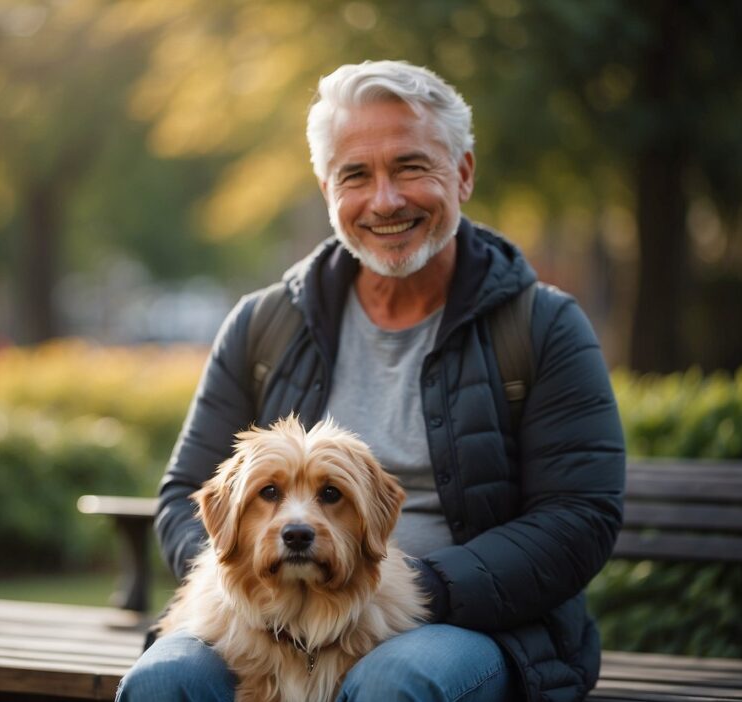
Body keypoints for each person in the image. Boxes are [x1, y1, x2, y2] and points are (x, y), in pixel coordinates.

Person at [117, 60, 625, 702]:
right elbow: (187, 494)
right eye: (356, 174)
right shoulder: (263, 324)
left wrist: (419, 589)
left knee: (393, 683)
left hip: (465, 624)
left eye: (411, 167)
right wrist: (252, 596)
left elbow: (578, 519)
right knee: (166, 683)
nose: (385, 200)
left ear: (463, 173)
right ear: (328, 189)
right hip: (260, 620)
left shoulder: (543, 326)